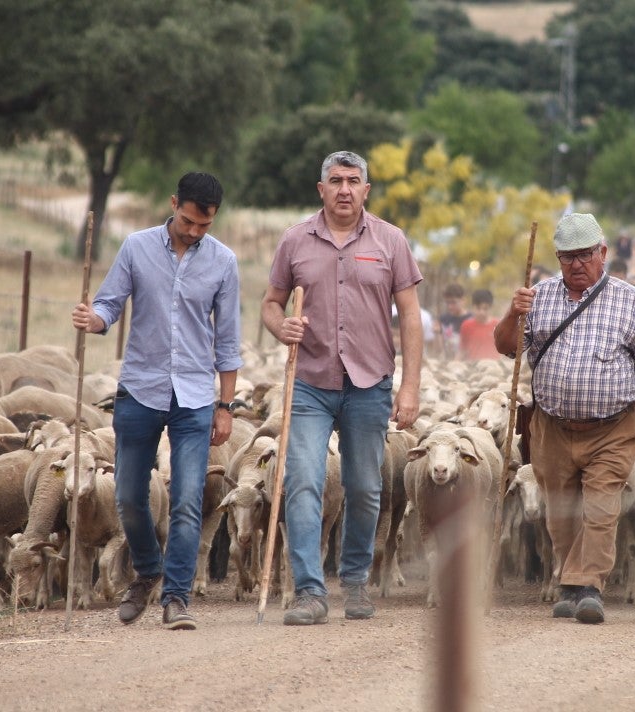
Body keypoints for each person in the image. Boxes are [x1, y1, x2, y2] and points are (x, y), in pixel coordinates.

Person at [71, 172, 242, 631]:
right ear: (174, 204)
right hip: (140, 390)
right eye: (188, 221)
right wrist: (94, 319)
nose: (194, 232)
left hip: (194, 397)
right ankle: (148, 570)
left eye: (204, 225)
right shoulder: (136, 247)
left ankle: (177, 597)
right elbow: (110, 303)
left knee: (187, 498)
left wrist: (225, 406)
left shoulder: (224, 262)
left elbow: (227, 340)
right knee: (128, 496)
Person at [261, 150, 423, 626]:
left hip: (369, 382)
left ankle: (355, 582)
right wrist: (281, 326)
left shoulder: (390, 240)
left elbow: (410, 315)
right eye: (336, 180)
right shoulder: (295, 240)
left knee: (365, 486)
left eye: (354, 180)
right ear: (322, 189)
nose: (345, 189)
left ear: (366, 190)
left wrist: (409, 387)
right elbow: (271, 303)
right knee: (305, 481)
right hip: (309, 381)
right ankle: (310, 591)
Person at [494, 212, 635, 625]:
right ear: (557, 258)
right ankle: (570, 582)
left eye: (586, 255)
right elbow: (506, 347)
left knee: (601, 506)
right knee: (561, 510)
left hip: (611, 427)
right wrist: (512, 312)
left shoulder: (629, 300)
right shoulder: (538, 296)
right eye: (568, 256)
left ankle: (587, 587)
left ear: (603, 253)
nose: (577, 264)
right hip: (551, 426)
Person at [459, 289, 500, 360]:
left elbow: (504, 352)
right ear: (473, 307)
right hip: (473, 367)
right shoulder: (466, 326)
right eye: (478, 308)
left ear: (491, 308)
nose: (481, 312)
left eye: (485, 308)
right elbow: (462, 350)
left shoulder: (498, 325)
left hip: (494, 366)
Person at [437, 283, 470, 359]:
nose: (450, 306)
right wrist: (437, 333)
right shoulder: (443, 319)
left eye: (453, 302)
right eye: (447, 303)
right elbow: (438, 350)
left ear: (463, 300)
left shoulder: (471, 319)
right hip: (447, 362)